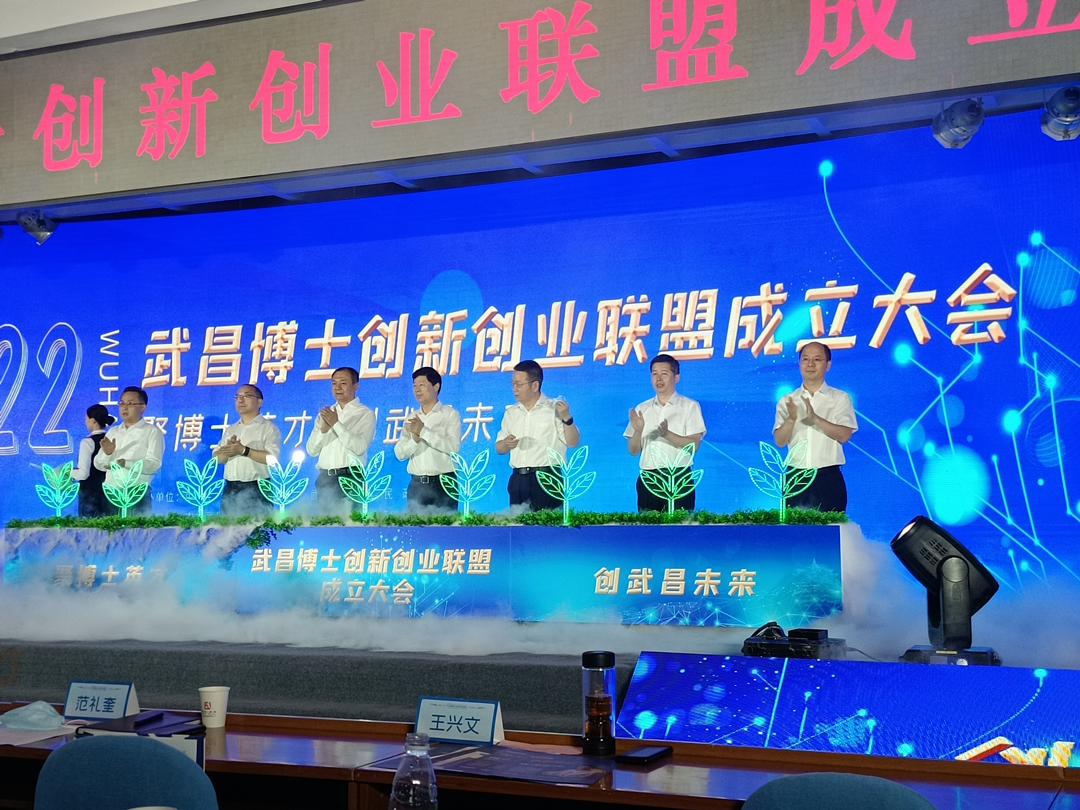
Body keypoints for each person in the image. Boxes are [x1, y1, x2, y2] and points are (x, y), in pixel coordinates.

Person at [773, 341, 858, 513]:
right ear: (799, 363)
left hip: (827, 478)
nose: (810, 364)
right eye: (805, 359)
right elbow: (779, 441)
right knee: (795, 529)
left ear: (828, 365)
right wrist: (791, 419)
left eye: (817, 359)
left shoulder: (840, 398)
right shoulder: (787, 400)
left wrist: (815, 419)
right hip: (795, 478)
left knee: (832, 528)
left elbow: (844, 435)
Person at [624, 354, 706, 512]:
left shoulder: (689, 406)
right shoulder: (642, 408)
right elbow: (633, 451)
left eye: (664, 373)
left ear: (676, 378)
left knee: (680, 525)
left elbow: (694, 445)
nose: (658, 378)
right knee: (648, 526)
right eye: (654, 374)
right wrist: (638, 431)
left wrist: (667, 434)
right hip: (649, 478)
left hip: (679, 477)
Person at [495, 359, 579, 511]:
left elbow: (573, 442)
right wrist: (506, 443)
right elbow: (499, 448)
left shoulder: (554, 409)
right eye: (512, 384)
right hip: (518, 480)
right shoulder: (511, 413)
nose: (514, 389)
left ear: (535, 385)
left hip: (547, 478)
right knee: (517, 524)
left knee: (548, 524)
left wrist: (567, 417)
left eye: (519, 384)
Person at [306, 366, 375, 513]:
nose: (337, 387)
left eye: (343, 383)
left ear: (355, 386)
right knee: (325, 523)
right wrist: (324, 430)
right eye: (334, 383)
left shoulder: (365, 413)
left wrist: (336, 424)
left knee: (351, 523)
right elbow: (311, 450)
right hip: (325, 479)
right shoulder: (325, 414)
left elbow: (359, 447)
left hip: (351, 477)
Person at [394, 367, 461, 512]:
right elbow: (399, 454)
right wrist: (414, 440)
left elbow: (453, 447)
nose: (417, 390)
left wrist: (423, 431)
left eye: (422, 385)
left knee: (445, 524)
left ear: (436, 386)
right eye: (414, 385)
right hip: (417, 484)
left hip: (444, 483)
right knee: (416, 525)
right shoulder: (411, 417)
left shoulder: (449, 414)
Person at [93, 386, 164, 516]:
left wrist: (127, 463)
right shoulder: (113, 432)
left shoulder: (152, 432)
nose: (124, 407)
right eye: (122, 403)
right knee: (109, 529)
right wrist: (108, 454)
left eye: (130, 404)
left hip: (136, 493)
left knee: (137, 529)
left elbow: (154, 464)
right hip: (112, 493)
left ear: (142, 407)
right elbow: (98, 464)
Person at [213, 384, 282, 516]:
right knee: (227, 527)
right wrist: (228, 451)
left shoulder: (268, 428)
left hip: (257, 488)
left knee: (258, 527)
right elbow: (216, 458)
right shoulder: (231, 429)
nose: (240, 400)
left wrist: (244, 450)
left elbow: (272, 459)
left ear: (259, 402)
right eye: (237, 397)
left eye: (246, 396)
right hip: (230, 489)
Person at [71, 403, 116, 517]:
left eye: (86, 418)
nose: (85, 421)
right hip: (112, 495)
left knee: (90, 527)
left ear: (93, 421)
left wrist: (68, 472)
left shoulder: (87, 442)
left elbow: (83, 474)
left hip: (90, 496)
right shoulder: (114, 440)